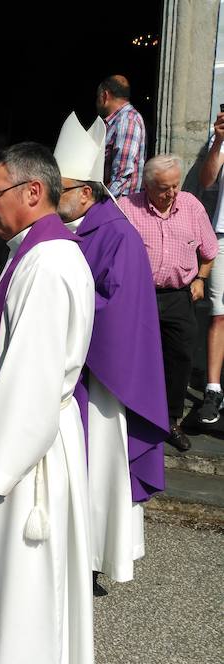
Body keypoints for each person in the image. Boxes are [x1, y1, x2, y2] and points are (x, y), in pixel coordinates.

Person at [0, 142, 95, 664]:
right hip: (23, 436)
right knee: (10, 585)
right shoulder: (33, 252)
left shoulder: (49, 262)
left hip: (24, 453)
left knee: (23, 585)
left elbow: (31, 379)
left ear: (32, 191)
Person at [53, 112, 168, 592]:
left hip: (103, 381)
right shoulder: (65, 229)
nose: (51, 195)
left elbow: (119, 312)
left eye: (59, 187)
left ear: (85, 193)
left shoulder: (117, 234)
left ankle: (94, 556)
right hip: (70, 373)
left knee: (99, 465)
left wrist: (59, 314)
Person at [119, 155, 218, 451]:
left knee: (180, 357)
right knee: (135, 356)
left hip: (178, 295)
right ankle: (130, 418)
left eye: (175, 185)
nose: (172, 192)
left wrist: (200, 279)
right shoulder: (127, 208)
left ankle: (170, 421)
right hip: (139, 294)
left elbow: (210, 251)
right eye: (164, 188)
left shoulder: (191, 206)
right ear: (148, 185)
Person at [197, 109, 224, 424]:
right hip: (223, 233)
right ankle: (213, 389)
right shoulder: (221, 140)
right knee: (218, 313)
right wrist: (217, 142)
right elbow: (206, 181)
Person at [97, 75, 146, 198]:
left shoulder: (126, 120)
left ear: (105, 96)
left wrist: (100, 202)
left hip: (120, 204)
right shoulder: (119, 120)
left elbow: (121, 176)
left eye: (97, 97)